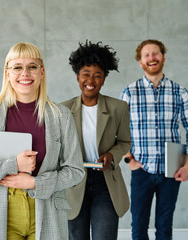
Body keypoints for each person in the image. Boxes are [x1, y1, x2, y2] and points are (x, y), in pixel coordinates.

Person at [0, 42, 85, 240]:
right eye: (17, 67)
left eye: (32, 67)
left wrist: (36, 182)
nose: (25, 73)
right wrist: (12, 165)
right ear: (7, 73)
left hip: (47, 209)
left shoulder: (61, 116)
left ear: (41, 72)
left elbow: (75, 171)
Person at [62, 41, 131, 240]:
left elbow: (125, 142)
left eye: (97, 75)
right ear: (77, 77)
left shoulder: (118, 108)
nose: (90, 80)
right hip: (74, 182)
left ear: (103, 80)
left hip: (105, 183)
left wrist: (112, 155)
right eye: (86, 74)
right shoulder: (63, 110)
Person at [120, 39, 188, 240]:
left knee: (165, 227)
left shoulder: (180, 92)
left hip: (172, 169)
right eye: (146, 55)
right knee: (138, 227)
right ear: (140, 62)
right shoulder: (129, 92)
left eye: (155, 53)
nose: (152, 58)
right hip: (142, 170)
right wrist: (128, 159)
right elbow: (118, 131)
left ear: (163, 58)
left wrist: (187, 164)